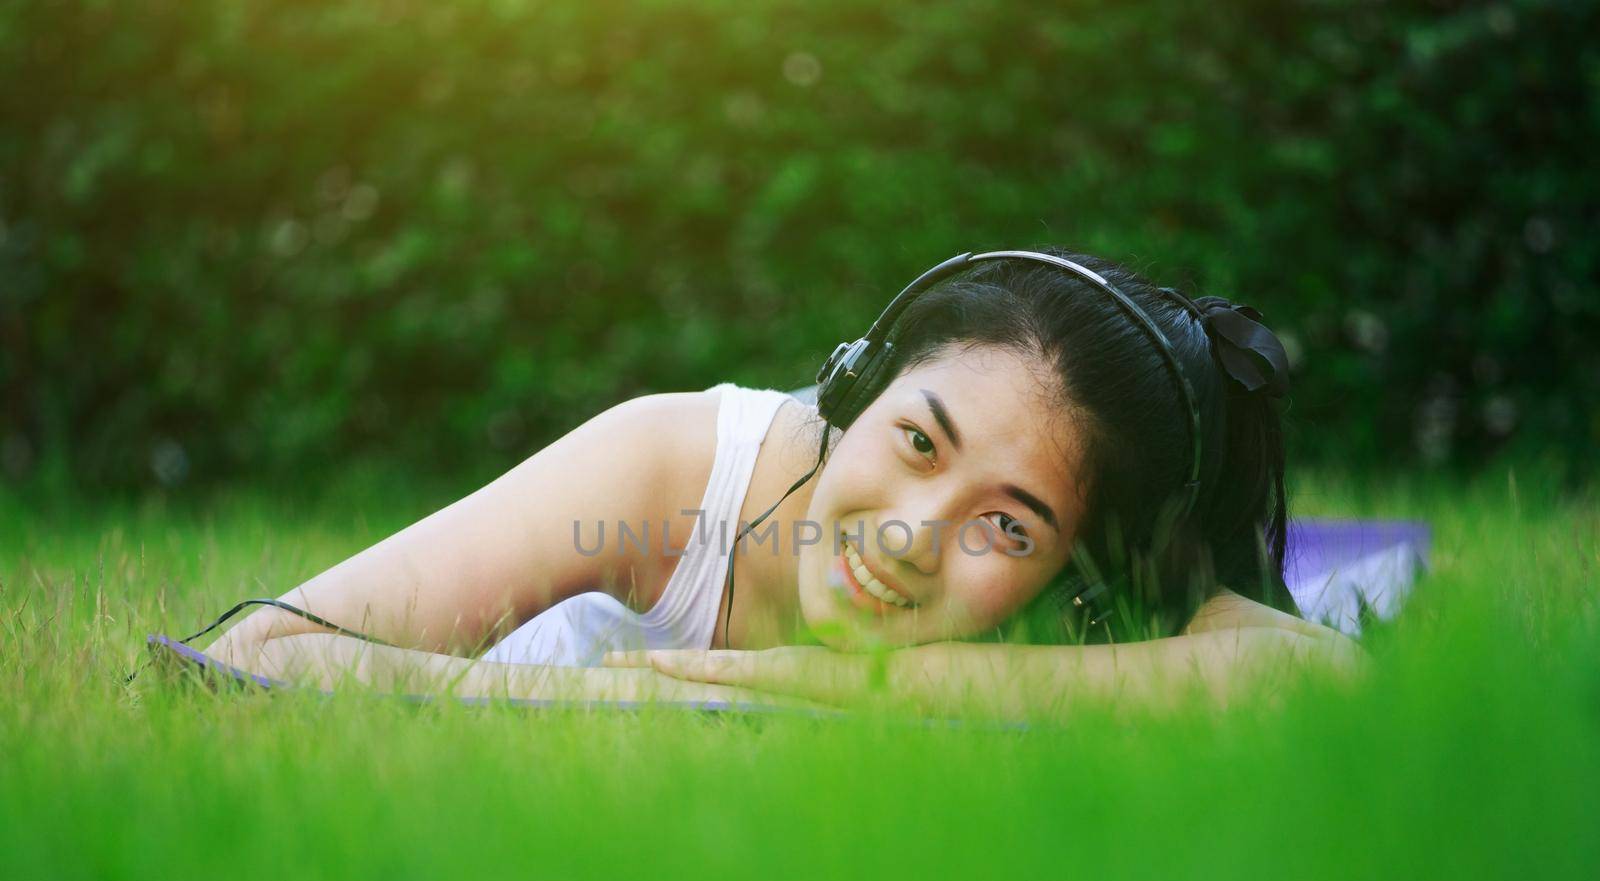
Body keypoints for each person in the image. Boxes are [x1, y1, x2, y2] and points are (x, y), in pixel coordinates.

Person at [204, 248, 1359, 714]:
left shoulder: (1075, 611)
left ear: (1077, 567)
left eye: (1007, 524)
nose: (911, 535)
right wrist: (646, 700)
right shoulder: (664, 465)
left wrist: (854, 690)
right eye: (917, 441)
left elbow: (1323, 681)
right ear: (858, 388)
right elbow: (248, 660)